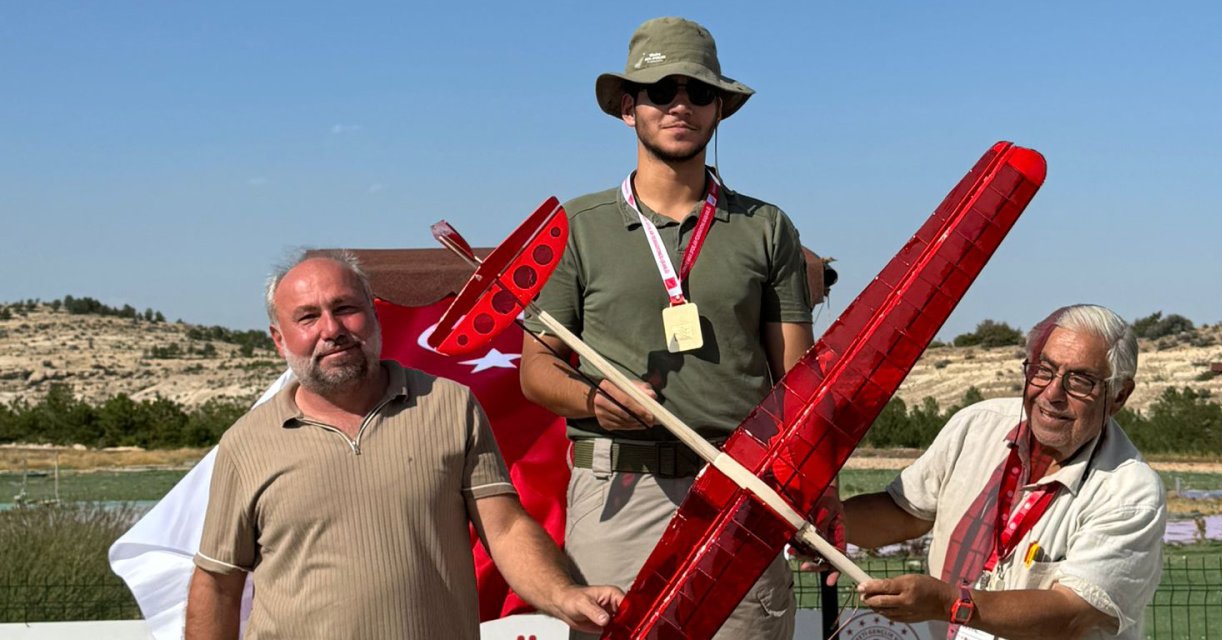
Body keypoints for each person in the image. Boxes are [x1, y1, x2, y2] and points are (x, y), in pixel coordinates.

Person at [520, 16, 840, 640]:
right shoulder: (576, 226)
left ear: (718, 110)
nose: (680, 105)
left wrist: (814, 482)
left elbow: (797, 383)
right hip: (618, 491)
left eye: (698, 92)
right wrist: (594, 400)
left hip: (739, 491)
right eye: (660, 90)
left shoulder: (766, 226)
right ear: (627, 108)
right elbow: (536, 369)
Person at [186, 252, 623, 640]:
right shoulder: (246, 443)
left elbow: (505, 528)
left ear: (374, 317)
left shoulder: (449, 405)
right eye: (307, 317)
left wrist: (563, 594)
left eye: (346, 309)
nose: (332, 329)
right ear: (279, 339)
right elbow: (218, 583)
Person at [842, 304, 1167, 639]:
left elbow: (1072, 614)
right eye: (1044, 370)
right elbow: (906, 512)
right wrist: (826, 526)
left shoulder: (1130, 491)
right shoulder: (978, 426)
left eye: (1081, 381)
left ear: (1119, 396)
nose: (1053, 394)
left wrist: (951, 604)